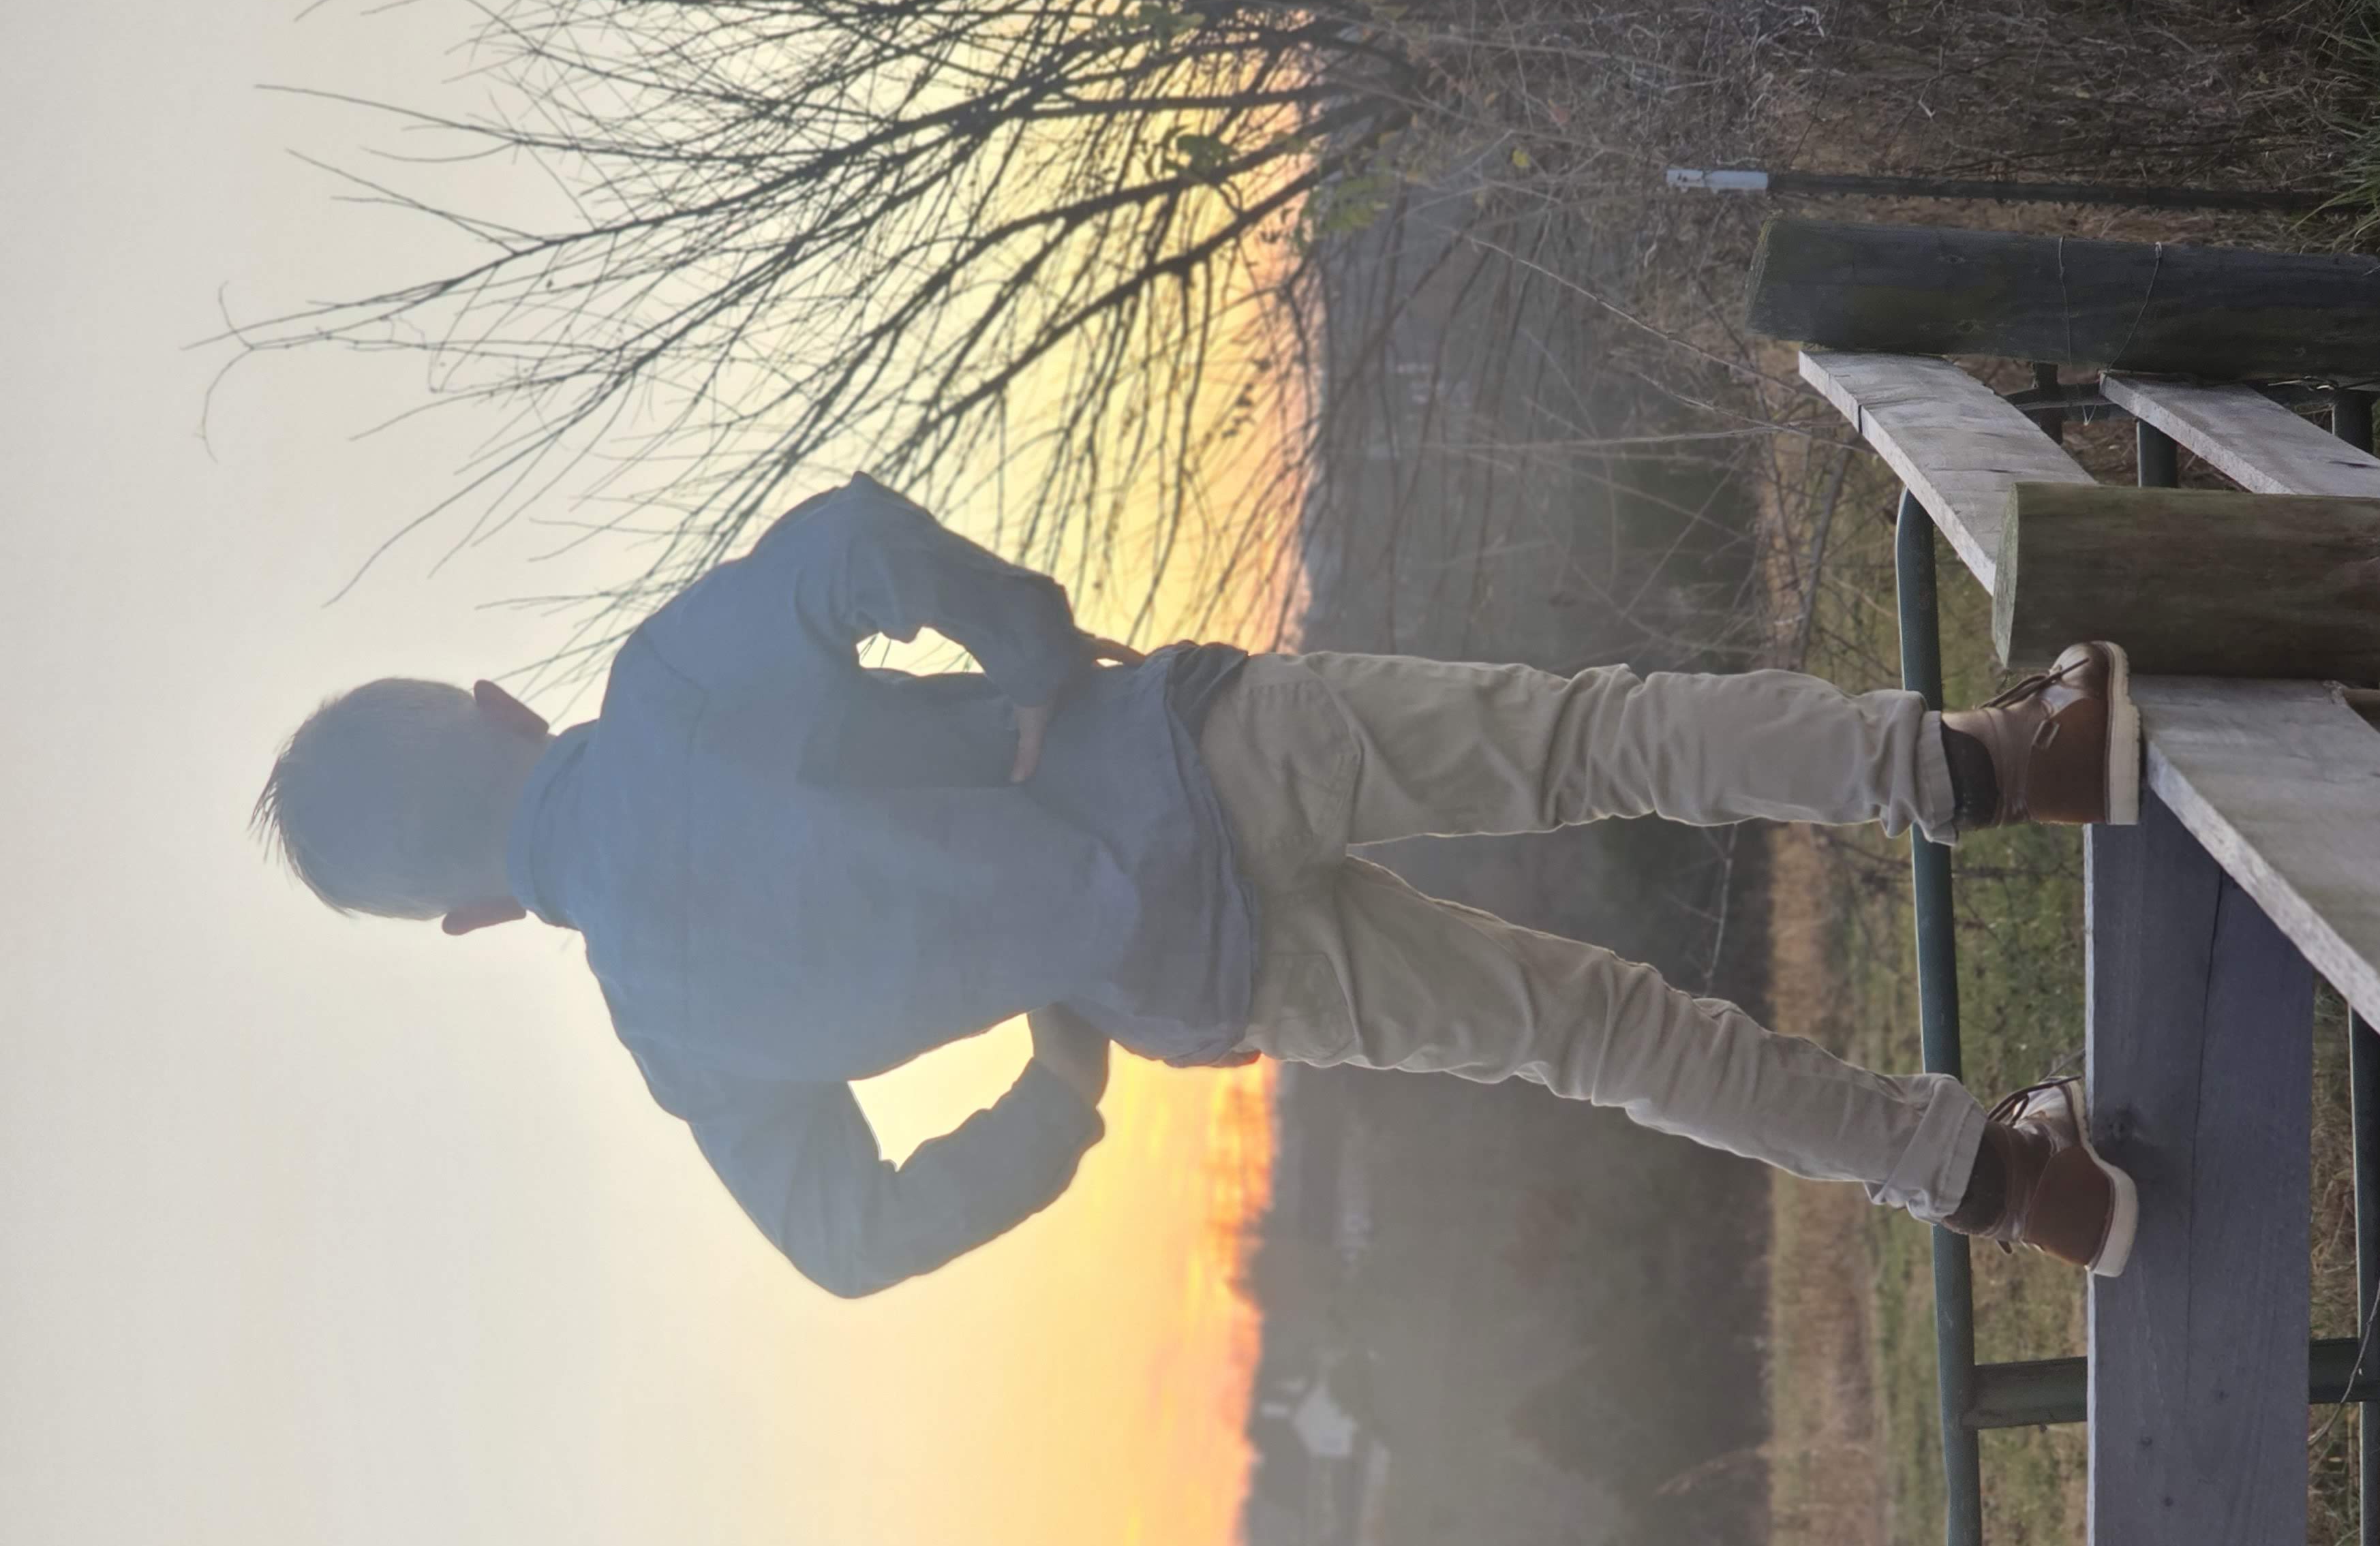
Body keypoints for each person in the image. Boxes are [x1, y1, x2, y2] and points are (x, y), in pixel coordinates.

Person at [254, 474, 2141, 1297]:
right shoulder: (660, 695)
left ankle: (2005, 1179)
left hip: (1186, 982)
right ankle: (2006, 764)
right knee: (1595, 743)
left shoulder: (675, 1040)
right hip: (1180, 756)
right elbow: (846, 550)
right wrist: (1035, 661)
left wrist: (1059, 1085)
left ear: (469, 918)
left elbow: (850, 1240)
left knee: (1597, 1038)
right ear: (503, 706)